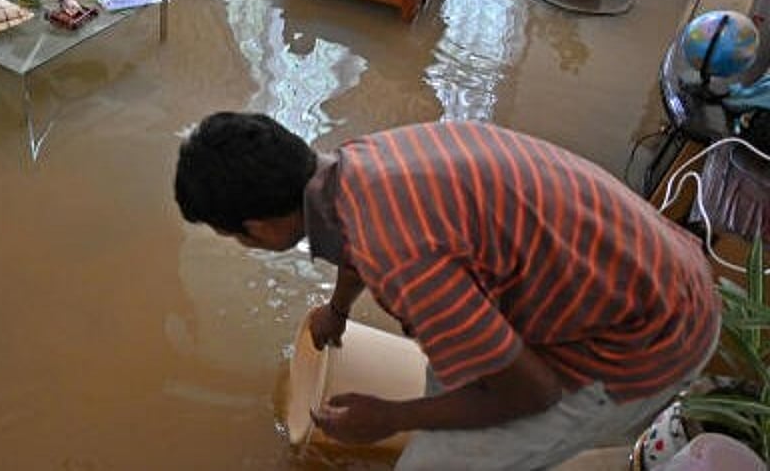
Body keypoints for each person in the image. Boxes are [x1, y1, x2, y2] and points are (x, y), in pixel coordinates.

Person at [173, 112, 720, 470]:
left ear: (258, 227)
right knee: (449, 380)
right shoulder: (356, 161)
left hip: (650, 338)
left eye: (231, 235)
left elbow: (535, 393)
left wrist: (391, 417)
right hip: (649, 269)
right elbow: (358, 245)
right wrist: (338, 310)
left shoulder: (403, 260)